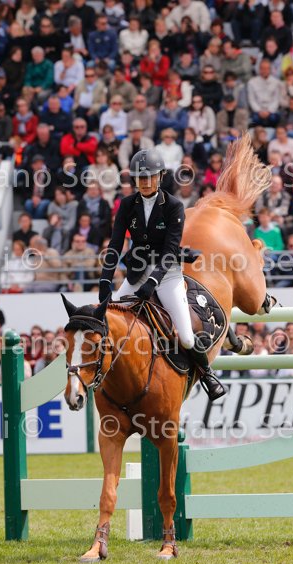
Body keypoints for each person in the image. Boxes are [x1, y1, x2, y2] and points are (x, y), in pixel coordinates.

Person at [98, 147, 226, 401]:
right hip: (137, 274)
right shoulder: (127, 205)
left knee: (186, 337)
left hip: (167, 275)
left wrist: (153, 282)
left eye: (150, 177)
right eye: (140, 178)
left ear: (159, 177)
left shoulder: (174, 206)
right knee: (107, 320)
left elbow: (169, 250)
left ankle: (208, 375)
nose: (145, 182)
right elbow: (115, 244)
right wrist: (105, 280)